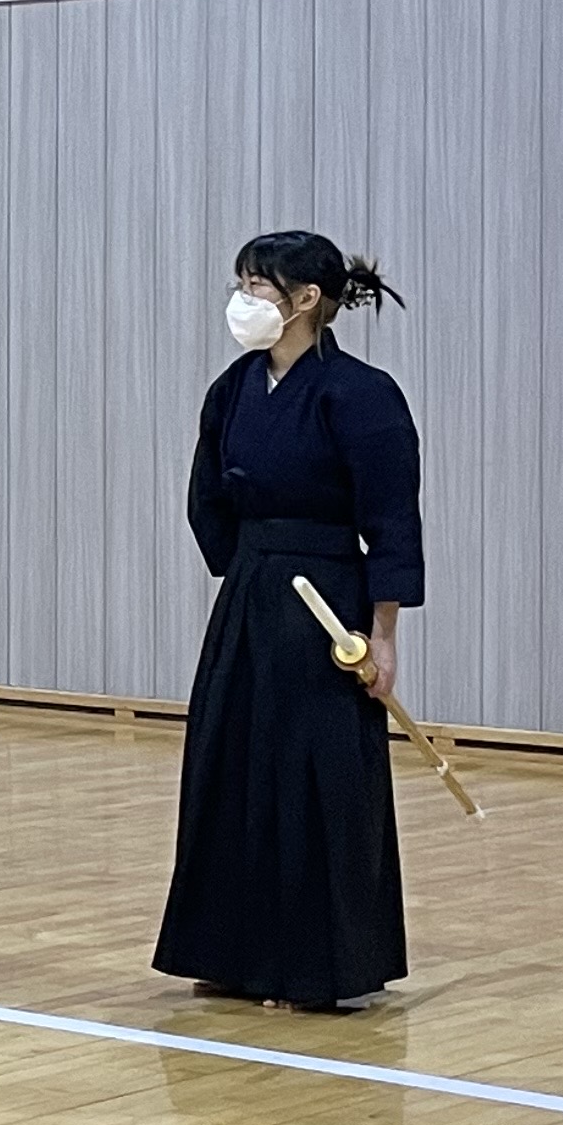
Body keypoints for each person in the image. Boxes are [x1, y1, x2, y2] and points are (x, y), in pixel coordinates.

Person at [155, 231, 422, 1014]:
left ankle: (317, 965)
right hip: (250, 593)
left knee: (316, 775)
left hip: (328, 598)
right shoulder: (233, 389)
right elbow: (207, 497)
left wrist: (382, 634)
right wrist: (248, 568)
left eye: (257, 286)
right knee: (230, 763)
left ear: (306, 299)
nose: (243, 300)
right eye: (240, 283)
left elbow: (392, 521)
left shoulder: (362, 395)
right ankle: (229, 953)